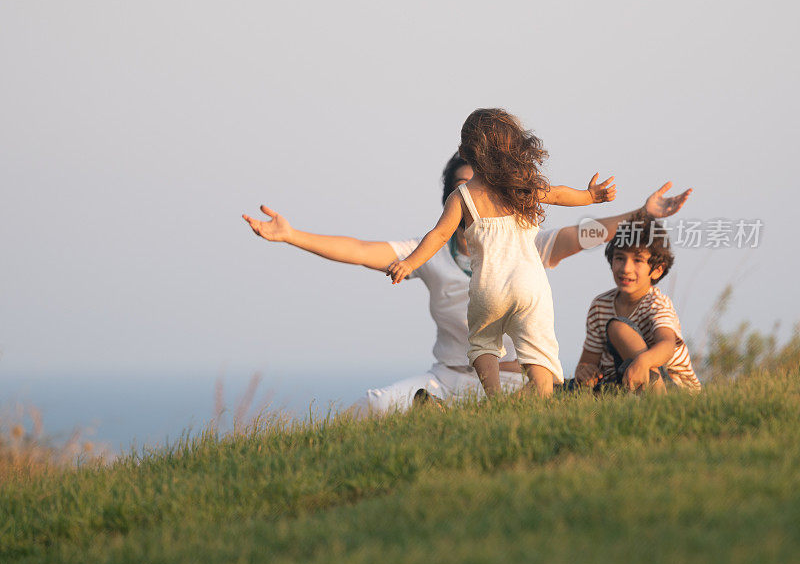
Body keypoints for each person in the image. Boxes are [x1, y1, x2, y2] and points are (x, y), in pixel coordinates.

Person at [242, 158, 691, 414]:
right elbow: (361, 249)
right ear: (450, 202)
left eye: (486, 189)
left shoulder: (529, 244)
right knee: (374, 408)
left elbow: (585, 234)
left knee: (524, 412)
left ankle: (448, 423)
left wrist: (643, 214)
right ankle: (432, 416)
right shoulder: (427, 251)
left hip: (517, 386)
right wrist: (291, 235)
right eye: (465, 189)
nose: (476, 198)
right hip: (447, 379)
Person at [386, 108, 616, 397]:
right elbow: (558, 194)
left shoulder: (463, 196)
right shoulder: (523, 187)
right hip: (530, 286)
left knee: (483, 343)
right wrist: (591, 196)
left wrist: (409, 263)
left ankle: (494, 398)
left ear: (465, 152)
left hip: (488, 288)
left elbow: (439, 234)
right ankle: (541, 391)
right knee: (540, 363)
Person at [574, 209, 701, 393]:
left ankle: (658, 401)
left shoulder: (657, 304)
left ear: (657, 270)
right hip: (623, 383)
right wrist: (585, 371)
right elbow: (588, 360)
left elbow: (667, 345)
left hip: (673, 387)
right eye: (620, 258)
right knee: (559, 388)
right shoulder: (600, 306)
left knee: (617, 328)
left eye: (638, 260)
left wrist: (644, 361)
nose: (626, 268)